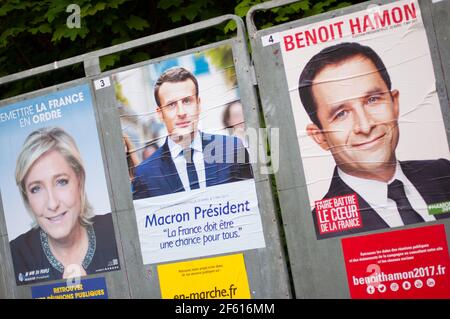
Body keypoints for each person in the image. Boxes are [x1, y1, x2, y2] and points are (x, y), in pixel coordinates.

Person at [298, 42, 450, 239]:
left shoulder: (443, 174)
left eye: (372, 100)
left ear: (394, 103)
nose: (365, 125)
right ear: (320, 136)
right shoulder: (316, 229)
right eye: (341, 113)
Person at [10, 127, 120, 285]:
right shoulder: (16, 256)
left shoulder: (116, 231)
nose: (52, 204)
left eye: (61, 182)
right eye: (36, 189)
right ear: (27, 197)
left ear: (79, 181)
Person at [132, 67, 253, 199]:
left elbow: (251, 203)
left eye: (187, 101)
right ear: (160, 114)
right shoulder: (145, 173)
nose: (181, 112)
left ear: (198, 104)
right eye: (171, 105)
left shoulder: (232, 149)